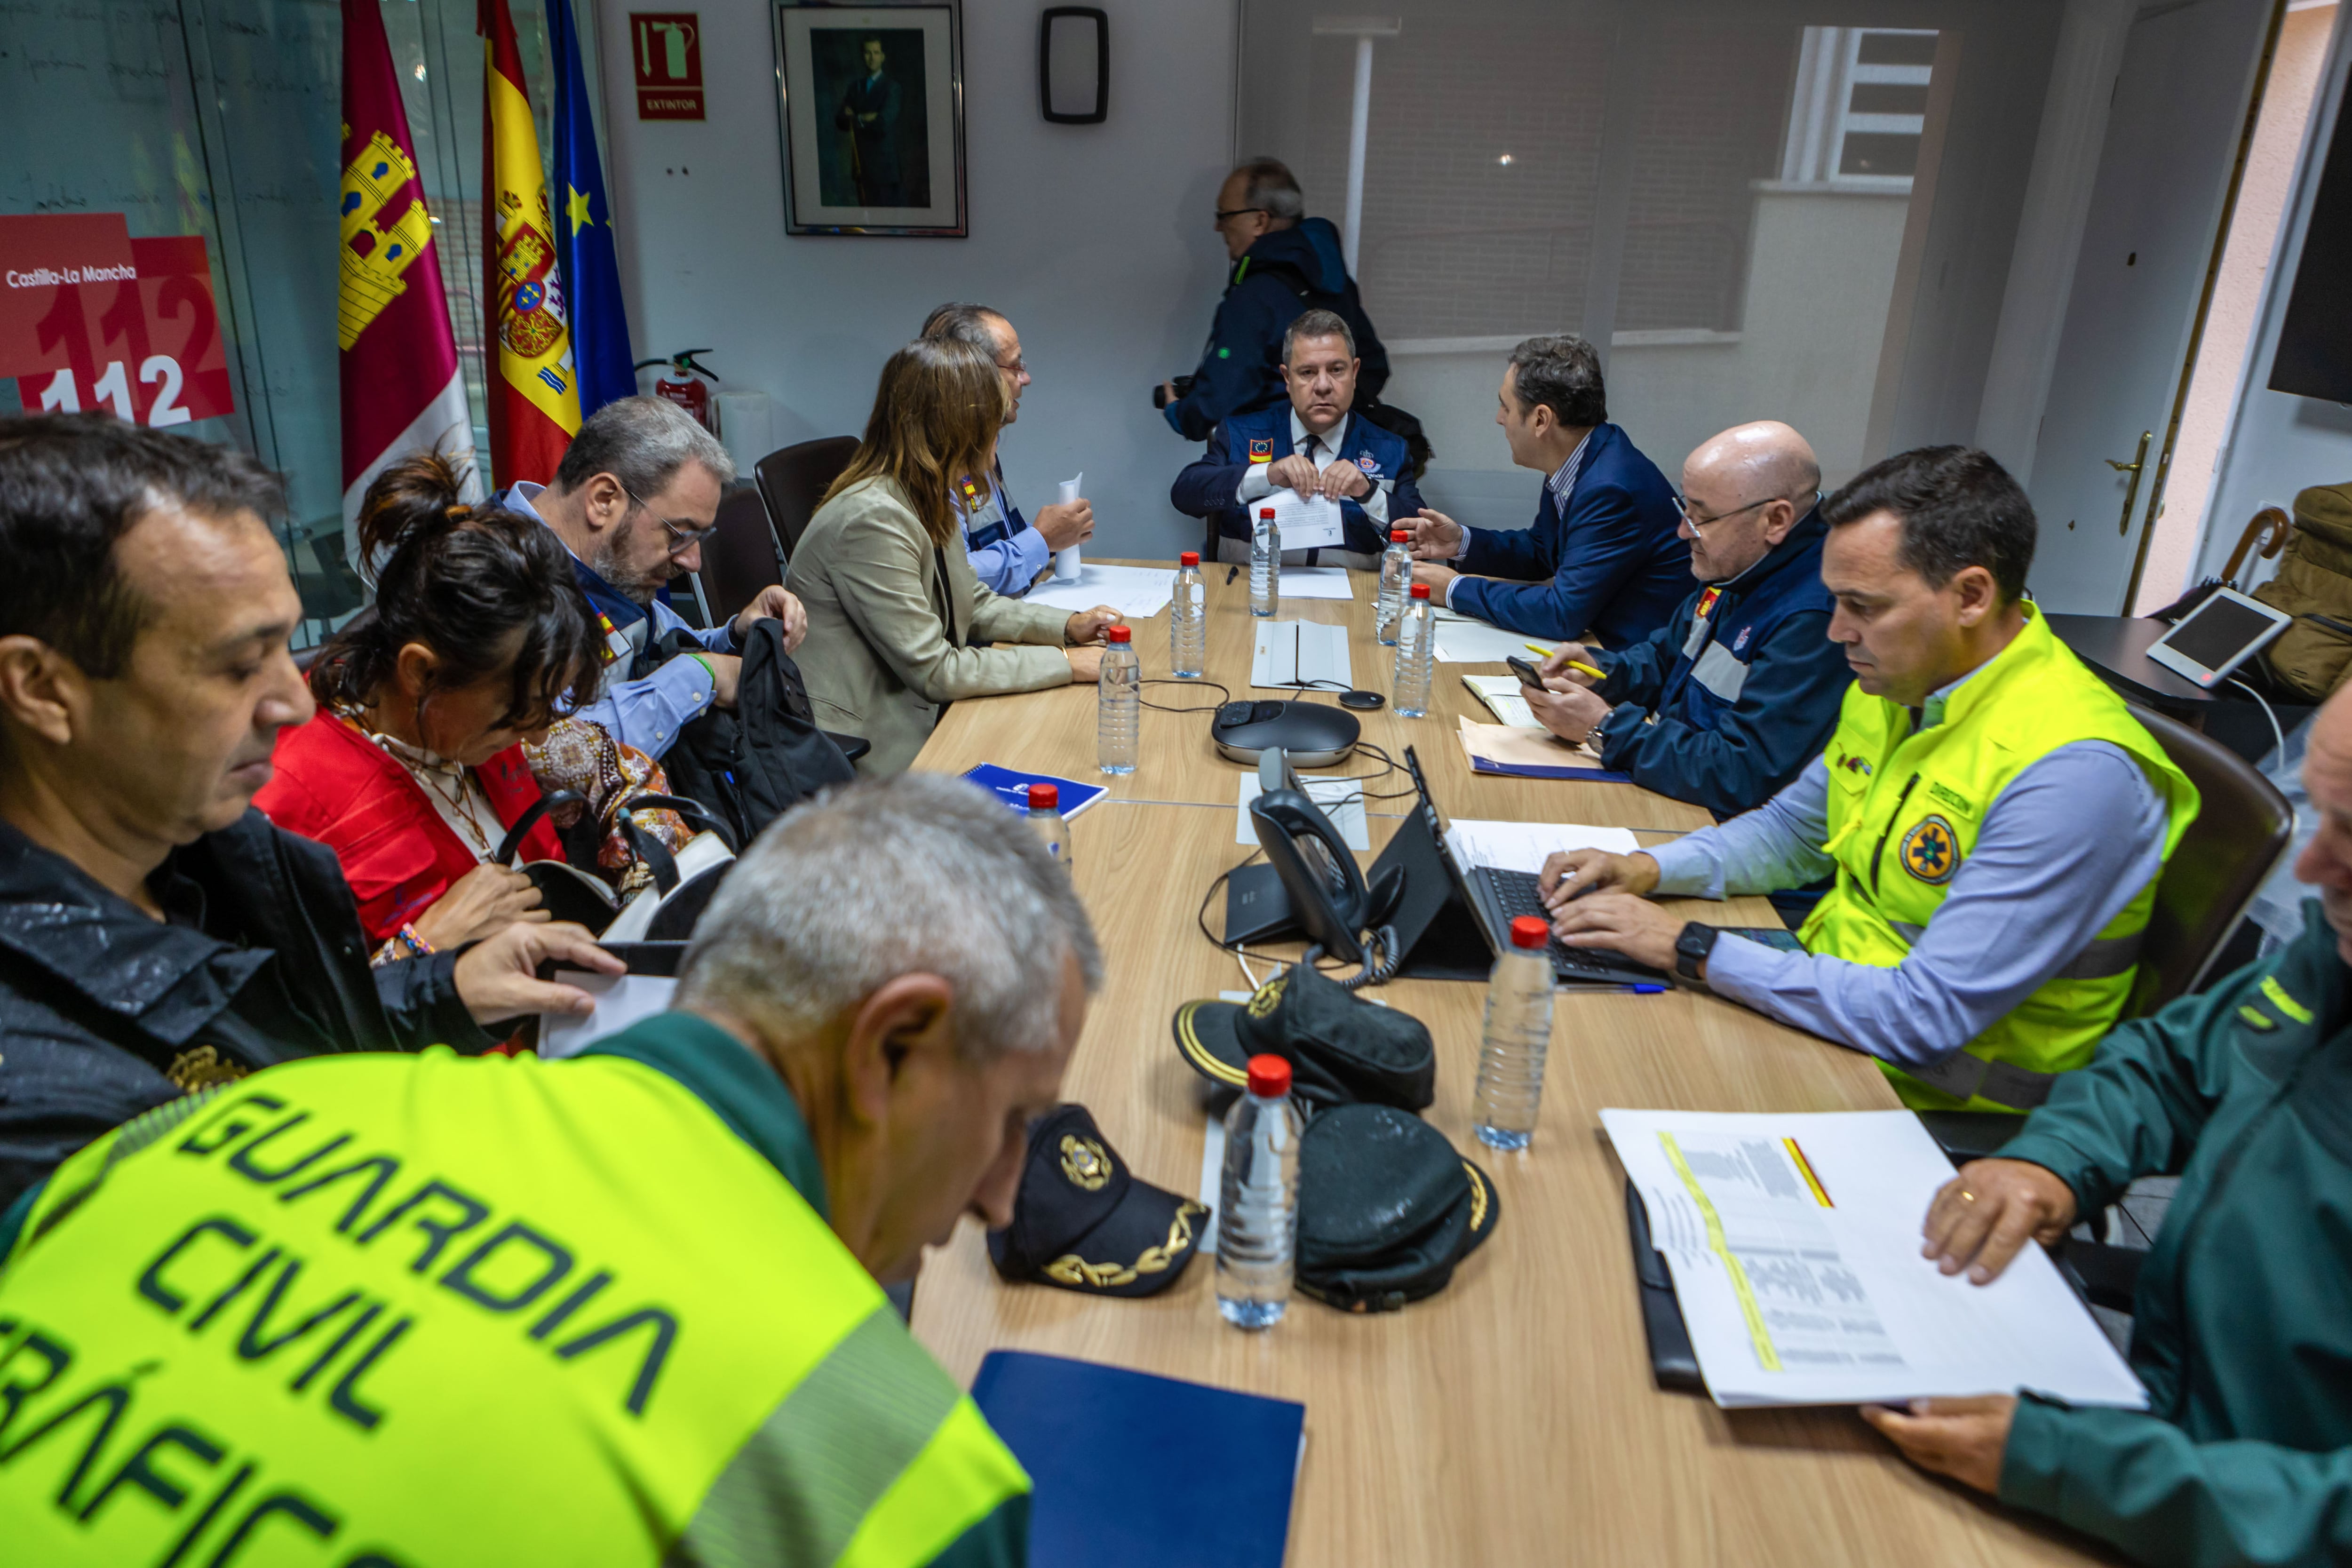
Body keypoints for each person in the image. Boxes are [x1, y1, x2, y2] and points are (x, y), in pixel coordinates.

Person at [0, 772, 1097, 1566]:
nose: (1002, 1195)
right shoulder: (902, 1471)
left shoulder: (234, 1120)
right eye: (1011, 1119)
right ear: (893, 1044)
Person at [0, 414, 619, 1209]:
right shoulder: (33, 1086)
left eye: (287, 649)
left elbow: (298, 1045)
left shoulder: (235, 850)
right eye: (237, 664)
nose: (296, 702)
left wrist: (449, 991)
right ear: (42, 689)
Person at [1539, 446, 2201, 1113]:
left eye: (1863, 605)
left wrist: (1688, 946)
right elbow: (1792, 831)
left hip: (1925, 1096)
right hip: (1834, 1006)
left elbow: (1925, 1015)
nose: (1837, 631)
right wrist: (1647, 869)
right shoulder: (1910, 679)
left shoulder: (2073, 774)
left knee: (1586, 1082)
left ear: (1971, 596)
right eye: (1836, 601)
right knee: (1561, 1019)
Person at [1859, 688, 2352, 1567]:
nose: (2312, 870)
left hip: (2228, 1506)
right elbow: (2170, 1064)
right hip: (2158, 1420)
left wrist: (2069, 1462)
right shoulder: (2335, 958)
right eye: (2326, 819)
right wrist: (2057, 1159)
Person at [256, 453, 601, 954]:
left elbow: (592, 764)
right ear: (421, 673)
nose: (536, 736)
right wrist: (420, 948)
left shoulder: (469, 714)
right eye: (517, 715)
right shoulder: (285, 800)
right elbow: (286, 1023)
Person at [788, 338, 1122, 776]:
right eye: (992, 426)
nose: (997, 440)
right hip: (868, 754)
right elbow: (936, 669)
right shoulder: (874, 520)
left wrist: (1065, 627)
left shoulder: (922, 494)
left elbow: (971, 600)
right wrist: (1065, 663)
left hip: (921, 717)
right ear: (957, 429)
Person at [1521, 421, 1850, 822]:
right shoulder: (1737, 565)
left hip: (1715, 829)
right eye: (1685, 508)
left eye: (1703, 518)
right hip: (1669, 790)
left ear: (1776, 520)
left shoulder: (1815, 616)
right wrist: (1603, 670)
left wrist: (1605, 728)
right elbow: (1666, 658)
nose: (1683, 531)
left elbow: (1743, 773)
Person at [496, 394, 807, 763]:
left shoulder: (599, 560)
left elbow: (659, 646)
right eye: (679, 535)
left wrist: (735, 634)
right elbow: (546, 753)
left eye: (698, 539)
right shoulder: (495, 583)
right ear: (604, 500)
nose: (693, 561)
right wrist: (699, 678)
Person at [1408, 334, 1688, 646]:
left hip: (1630, 664)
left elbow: (1561, 614)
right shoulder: (1581, 456)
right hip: (1593, 643)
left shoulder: (1609, 488)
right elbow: (1542, 551)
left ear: (1541, 419)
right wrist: (1461, 542)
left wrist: (1453, 589)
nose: (1499, 418)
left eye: (1506, 406)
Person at [1170, 307, 1427, 571]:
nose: (1323, 385)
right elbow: (1185, 494)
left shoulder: (1389, 449)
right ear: (1287, 378)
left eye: (1337, 370)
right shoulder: (1242, 434)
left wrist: (1367, 492)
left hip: (1352, 602)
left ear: (1355, 372)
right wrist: (1266, 475)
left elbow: (1423, 541)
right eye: (1307, 373)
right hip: (1251, 594)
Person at [1158, 157, 1390, 443]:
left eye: (1225, 215)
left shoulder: (1255, 294)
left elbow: (1224, 388)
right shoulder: (1332, 282)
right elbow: (1373, 364)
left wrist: (1182, 413)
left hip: (1269, 461)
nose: (1219, 227)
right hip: (1339, 456)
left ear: (1259, 221)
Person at [919, 302, 1094, 597]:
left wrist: (1054, 536)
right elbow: (956, 578)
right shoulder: (930, 462)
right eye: (1016, 366)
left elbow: (996, 545)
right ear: (974, 376)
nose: (1025, 379)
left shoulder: (981, 447)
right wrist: (1042, 540)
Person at [834, 34, 902, 206]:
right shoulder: (855, 87)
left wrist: (855, 117)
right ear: (862, 56)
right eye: (867, 53)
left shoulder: (892, 88)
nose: (872, 58)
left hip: (883, 171)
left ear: (883, 57)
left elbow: (882, 124)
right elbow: (841, 121)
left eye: (876, 53)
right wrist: (864, 117)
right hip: (860, 167)